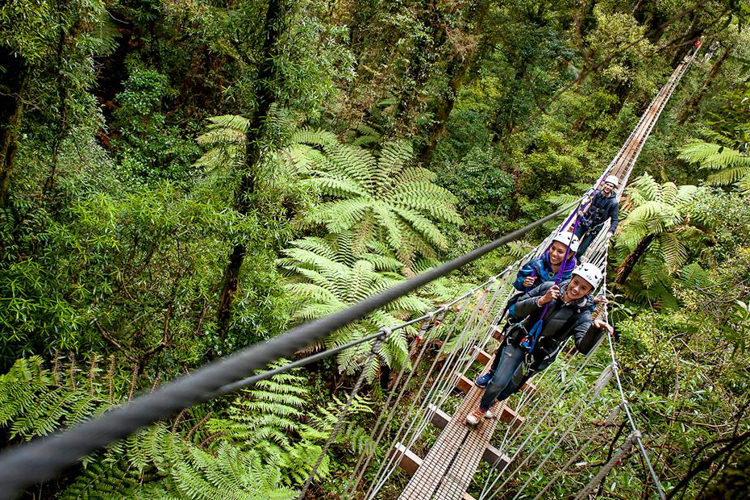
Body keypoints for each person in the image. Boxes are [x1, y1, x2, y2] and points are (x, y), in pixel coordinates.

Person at [466, 263, 607, 425]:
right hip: (520, 340)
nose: (576, 289)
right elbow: (517, 309)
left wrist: (595, 330)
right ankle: (482, 408)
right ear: (572, 278)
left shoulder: (583, 316)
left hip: (539, 355)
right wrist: (542, 300)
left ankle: (495, 401)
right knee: (499, 380)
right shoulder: (549, 287)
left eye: (583, 288)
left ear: (589, 292)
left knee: (513, 384)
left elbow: (582, 347)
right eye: (576, 282)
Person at [512, 232, 580, 293]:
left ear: (570, 255)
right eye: (553, 248)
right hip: (525, 302)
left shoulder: (571, 277)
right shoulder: (536, 264)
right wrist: (523, 283)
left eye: (560, 251)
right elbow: (518, 282)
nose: (554, 253)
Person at [574, 175, 620, 257]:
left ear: (613, 188)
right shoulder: (596, 193)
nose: (608, 187)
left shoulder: (613, 203)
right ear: (604, 184)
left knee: (580, 251)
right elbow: (588, 202)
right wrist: (582, 211)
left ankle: (571, 264)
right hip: (585, 221)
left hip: (594, 229)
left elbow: (615, 219)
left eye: (611, 186)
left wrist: (610, 231)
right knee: (573, 241)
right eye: (607, 184)